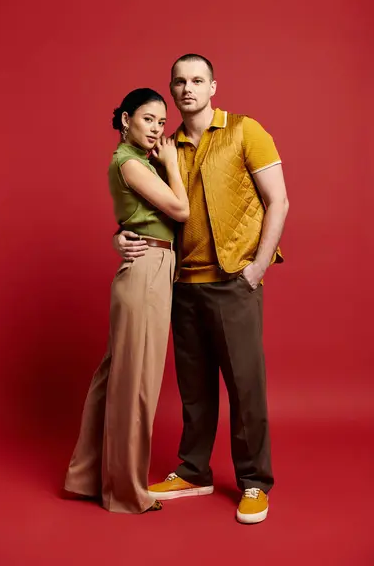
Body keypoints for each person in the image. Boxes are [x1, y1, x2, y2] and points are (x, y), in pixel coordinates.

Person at [113, 55, 289, 524]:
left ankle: (254, 481)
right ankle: (193, 471)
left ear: (213, 86)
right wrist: (121, 236)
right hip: (181, 283)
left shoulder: (245, 131)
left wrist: (254, 269)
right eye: (180, 82)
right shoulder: (162, 147)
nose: (188, 88)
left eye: (197, 80)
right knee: (194, 389)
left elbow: (279, 200)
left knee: (246, 387)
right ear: (171, 91)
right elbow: (143, 209)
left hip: (234, 282)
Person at [64, 88, 189, 514]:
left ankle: (87, 477)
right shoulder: (132, 163)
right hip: (148, 270)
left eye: (160, 121)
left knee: (116, 376)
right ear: (125, 121)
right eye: (147, 119)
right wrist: (172, 164)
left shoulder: (137, 162)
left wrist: (119, 236)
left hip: (147, 267)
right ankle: (125, 490)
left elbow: (136, 215)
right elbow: (179, 209)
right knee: (135, 383)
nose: (156, 128)